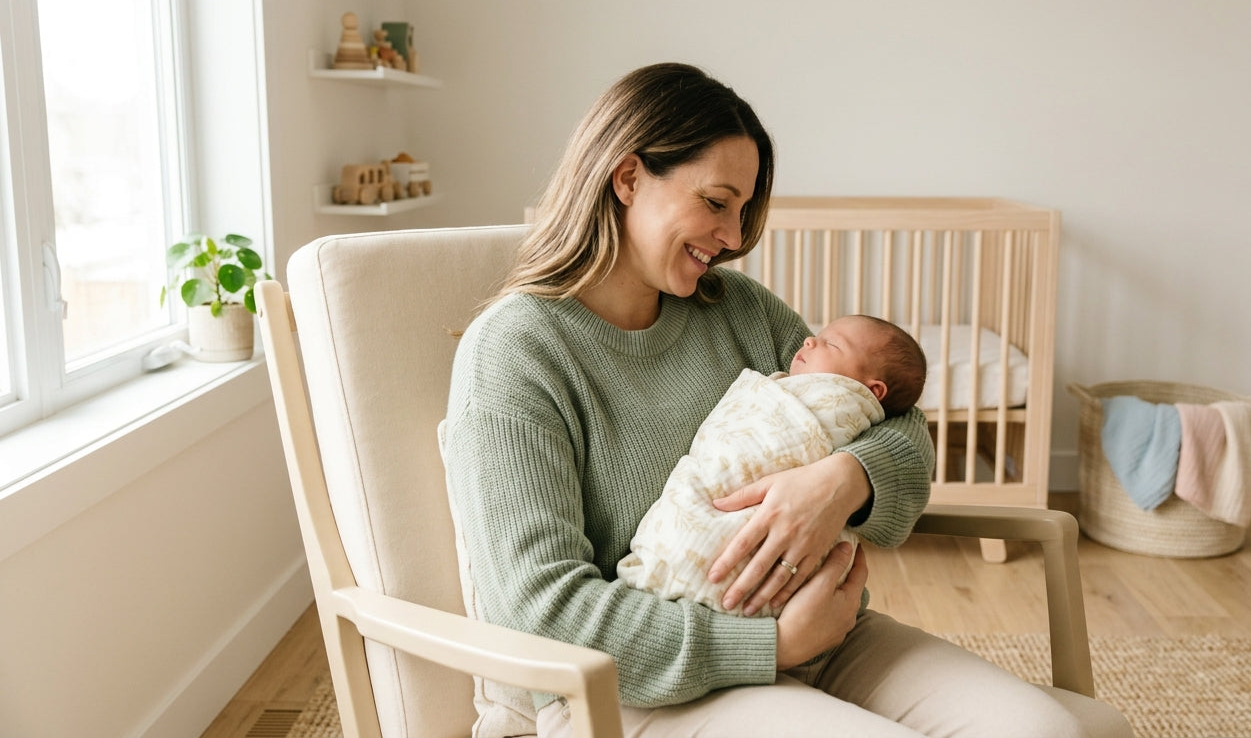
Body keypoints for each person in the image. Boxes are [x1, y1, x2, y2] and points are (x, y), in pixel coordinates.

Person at [444, 62, 1132, 737]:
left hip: (825, 643)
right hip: (626, 692)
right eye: (717, 203)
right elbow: (536, 610)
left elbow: (898, 424)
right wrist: (769, 647)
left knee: (1051, 730)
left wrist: (844, 479)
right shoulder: (516, 353)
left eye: (743, 211)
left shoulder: (736, 309)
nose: (735, 238)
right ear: (627, 177)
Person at [617, 315, 927, 617]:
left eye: (830, 342)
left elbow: (910, 426)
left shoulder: (752, 310)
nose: (809, 340)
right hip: (661, 630)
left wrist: (848, 476)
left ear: (872, 392)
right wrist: (779, 645)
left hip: (827, 624)